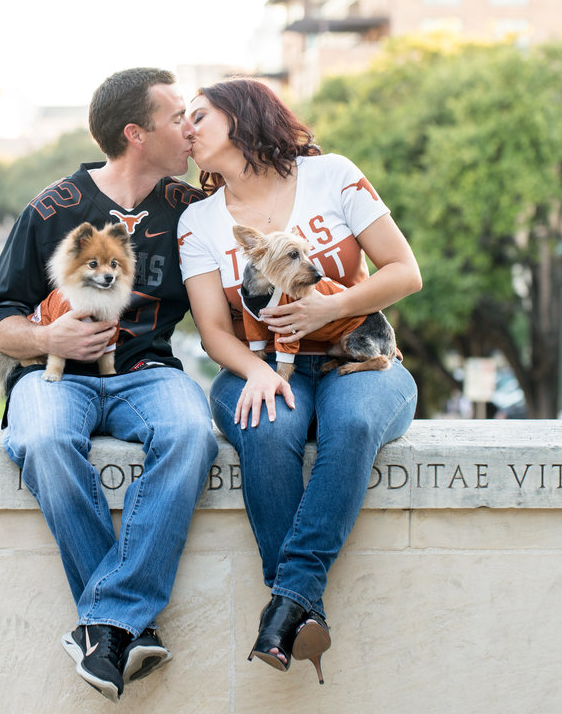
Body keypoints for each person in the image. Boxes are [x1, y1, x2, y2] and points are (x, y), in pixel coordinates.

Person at [0, 67, 218, 703]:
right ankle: (123, 626)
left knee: (192, 434)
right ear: (136, 134)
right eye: (176, 118)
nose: (188, 130)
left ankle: (105, 621)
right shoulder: (54, 208)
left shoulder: (191, 210)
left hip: (146, 374)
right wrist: (48, 340)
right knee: (45, 441)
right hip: (55, 377)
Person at [177, 78, 420, 685]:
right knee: (267, 425)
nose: (186, 129)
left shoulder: (332, 175)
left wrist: (327, 311)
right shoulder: (198, 222)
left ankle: (287, 603)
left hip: (358, 357)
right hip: (259, 365)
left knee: (355, 422)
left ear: (242, 117)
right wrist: (258, 370)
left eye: (199, 116)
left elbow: (405, 272)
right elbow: (212, 330)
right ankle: (296, 607)